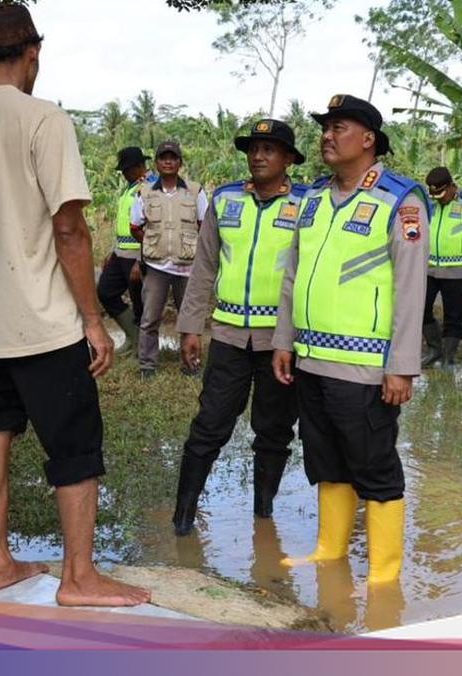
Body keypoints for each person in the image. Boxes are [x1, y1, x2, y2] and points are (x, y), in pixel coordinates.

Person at [0, 5, 148, 607]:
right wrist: (94, 320)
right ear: (33, 53)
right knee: (75, 446)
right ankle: (79, 579)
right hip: (46, 325)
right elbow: (71, 230)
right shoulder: (43, 120)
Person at [273, 94, 428, 586]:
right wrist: (284, 340)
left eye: (338, 127)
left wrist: (401, 365)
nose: (326, 135)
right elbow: (291, 275)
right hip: (312, 361)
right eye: (325, 127)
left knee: (375, 468)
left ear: (368, 140)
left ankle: (384, 576)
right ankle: (328, 551)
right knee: (326, 461)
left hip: (365, 369)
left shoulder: (399, 200)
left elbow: (411, 289)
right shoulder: (313, 199)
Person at [171, 119, 306, 536]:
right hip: (229, 334)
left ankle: (262, 516)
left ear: (288, 159)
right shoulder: (226, 199)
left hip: (280, 342)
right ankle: (183, 517)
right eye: (253, 148)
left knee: (273, 430)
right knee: (209, 425)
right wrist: (191, 325)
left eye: (269, 149)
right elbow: (205, 265)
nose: (258, 156)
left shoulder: (306, 204)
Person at [132, 140, 208, 378]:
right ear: (156, 163)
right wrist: (153, 243)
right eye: (163, 157)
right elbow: (135, 227)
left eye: (172, 157)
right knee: (149, 318)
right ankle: (147, 366)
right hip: (156, 267)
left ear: (179, 163)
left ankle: (191, 364)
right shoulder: (144, 192)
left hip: (187, 267)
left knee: (190, 321)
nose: (168, 161)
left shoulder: (195, 191)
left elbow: (204, 226)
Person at [421, 166, 462, 369]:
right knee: (421, 309)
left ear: (451, 187)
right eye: (434, 194)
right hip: (430, 269)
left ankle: (448, 357)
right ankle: (434, 349)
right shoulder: (430, 205)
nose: (438, 198)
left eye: (441, 193)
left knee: (455, 316)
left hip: (457, 271)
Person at [96, 146, 149, 353]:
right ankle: (132, 337)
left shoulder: (148, 188)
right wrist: (112, 249)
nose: (124, 174)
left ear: (139, 167)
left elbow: (152, 226)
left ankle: (142, 349)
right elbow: (123, 222)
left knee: (141, 304)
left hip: (137, 255)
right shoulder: (129, 188)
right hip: (121, 254)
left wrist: (141, 260)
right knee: (106, 292)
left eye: (127, 169)